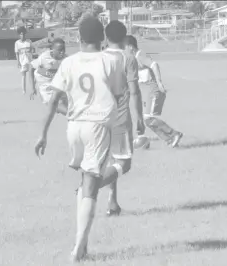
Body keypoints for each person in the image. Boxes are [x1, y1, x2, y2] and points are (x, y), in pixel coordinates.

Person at [34, 17, 125, 262]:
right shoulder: (111, 61)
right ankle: (79, 246)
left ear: (79, 38)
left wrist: (42, 134)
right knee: (91, 186)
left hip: (73, 127)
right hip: (97, 126)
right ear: (102, 38)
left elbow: (53, 101)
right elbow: (118, 94)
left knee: (85, 181)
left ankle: (81, 246)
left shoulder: (68, 62)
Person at [101, 21, 145, 216]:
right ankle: (89, 189)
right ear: (124, 36)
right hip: (119, 118)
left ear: (105, 36)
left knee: (111, 162)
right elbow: (134, 91)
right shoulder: (128, 58)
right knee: (123, 164)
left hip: (97, 118)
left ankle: (112, 204)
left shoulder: (97, 58)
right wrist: (140, 118)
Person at [123, 35, 183, 147]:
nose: (124, 50)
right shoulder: (133, 59)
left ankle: (174, 134)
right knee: (147, 121)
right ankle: (170, 140)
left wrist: (159, 81)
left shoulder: (140, 55)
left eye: (124, 47)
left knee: (148, 119)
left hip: (153, 91)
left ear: (130, 47)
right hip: (147, 94)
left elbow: (154, 65)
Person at [29, 37, 68, 114]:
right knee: (67, 112)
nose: (62, 52)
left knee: (71, 111)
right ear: (53, 50)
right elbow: (31, 68)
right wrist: (32, 88)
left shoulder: (66, 59)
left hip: (59, 88)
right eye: (60, 50)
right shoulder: (44, 57)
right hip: (46, 89)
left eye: (64, 49)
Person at [14, 26, 33, 94]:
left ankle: (33, 89)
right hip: (22, 62)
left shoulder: (29, 41)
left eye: (23, 34)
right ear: (19, 35)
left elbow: (32, 51)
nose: (22, 35)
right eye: (21, 34)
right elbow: (16, 53)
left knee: (32, 76)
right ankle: (24, 91)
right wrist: (18, 62)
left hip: (29, 61)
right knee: (23, 76)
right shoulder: (17, 43)